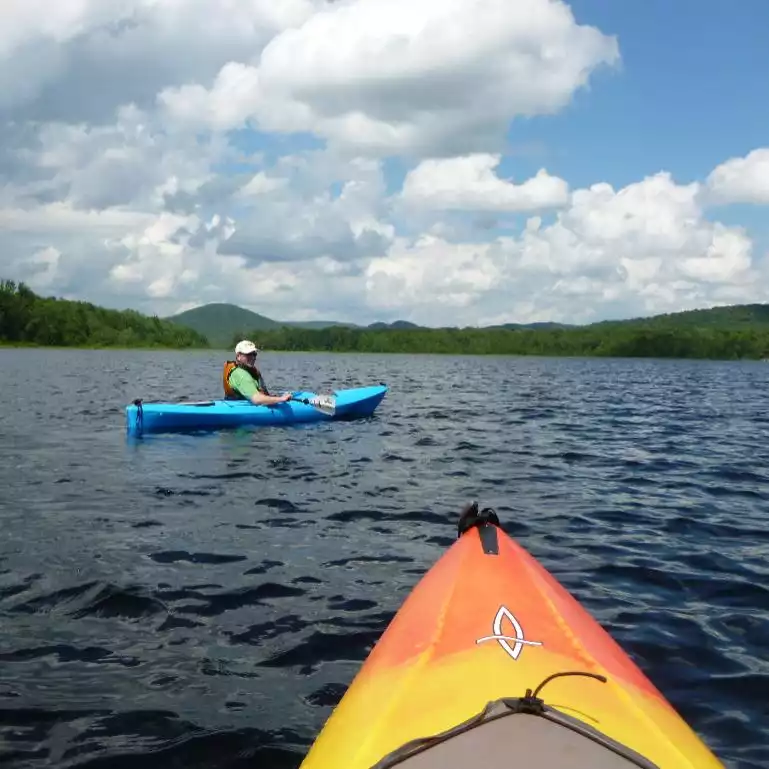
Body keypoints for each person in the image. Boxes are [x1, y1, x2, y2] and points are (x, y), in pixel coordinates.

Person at [222, 340, 292, 406]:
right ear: (238, 356)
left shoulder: (250, 371)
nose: (253, 357)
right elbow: (257, 399)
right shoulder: (240, 375)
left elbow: (262, 393)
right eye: (248, 354)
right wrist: (281, 399)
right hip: (241, 408)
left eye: (254, 354)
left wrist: (271, 398)